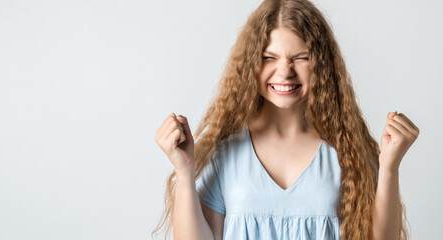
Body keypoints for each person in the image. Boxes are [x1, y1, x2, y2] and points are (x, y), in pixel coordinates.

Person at [153, 0, 419, 239]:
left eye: (301, 58)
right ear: (249, 65)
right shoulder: (224, 150)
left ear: (322, 66)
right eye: (269, 58)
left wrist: (389, 167)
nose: (285, 71)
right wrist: (185, 171)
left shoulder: (347, 151)